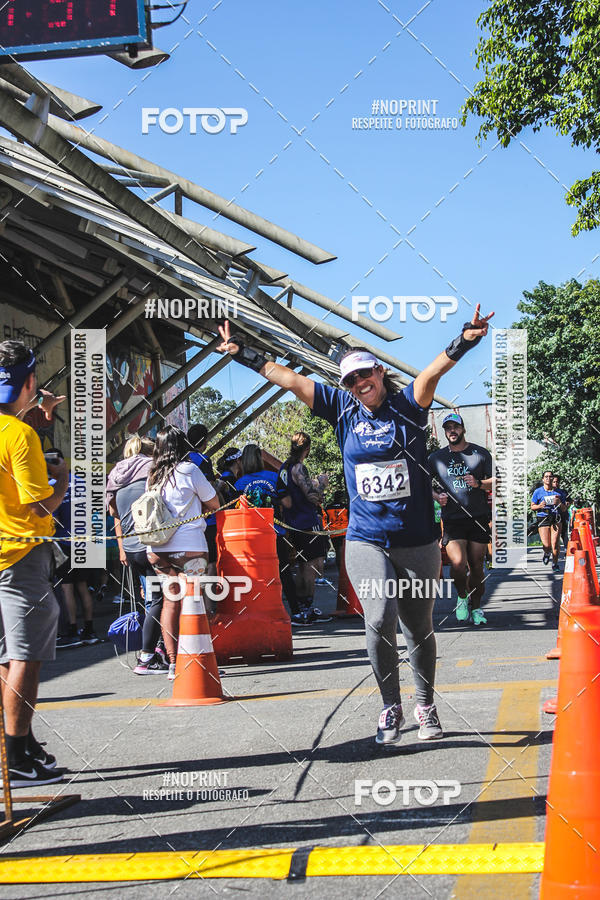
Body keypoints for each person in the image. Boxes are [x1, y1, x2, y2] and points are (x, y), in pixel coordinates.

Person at [217, 305, 493, 745]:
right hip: (366, 539)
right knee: (378, 617)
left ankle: (425, 704)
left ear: (379, 372)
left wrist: (466, 339)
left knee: (417, 626)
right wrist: (243, 353)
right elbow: (288, 378)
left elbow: (432, 373)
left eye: (365, 375)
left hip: (417, 539)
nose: (359, 384)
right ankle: (390, 706)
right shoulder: (341, 408)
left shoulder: (408, 407)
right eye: (350, 380)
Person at [0, 340, 67, 786]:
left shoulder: (16, 429)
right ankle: (15, 757)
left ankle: (19, 748)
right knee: (27, 654)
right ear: (30, 382)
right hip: (22, 554)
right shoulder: (20, 437)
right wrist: (61, 476)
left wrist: (34, 415)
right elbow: (40, 506)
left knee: (7, 655)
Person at [146, 426, 220, 679]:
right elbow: (215, 503)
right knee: (195, 600)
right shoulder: (189, 470)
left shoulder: (153, 475)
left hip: (157, 549)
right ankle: (199, 659)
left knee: (170, 601)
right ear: (182, 447)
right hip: (190, 547)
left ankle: (174, 663)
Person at [106, 435, 167, 675]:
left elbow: (115, 514)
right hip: (150, 545)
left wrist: (122, 548)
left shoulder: (116, 476)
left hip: (132, 549)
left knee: (153, 598)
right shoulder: (150, 469)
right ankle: (148, 656)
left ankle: (160, 649)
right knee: (160, 600)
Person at [428, 413, 494, 625]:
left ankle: (476, 607)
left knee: (476, 566)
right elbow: (421, 483)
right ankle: (462, 596)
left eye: (455, 427)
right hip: (453, 519)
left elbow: (496, 481)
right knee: (457, 564)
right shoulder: (436, 458)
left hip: (478, 517)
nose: (452, 431)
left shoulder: (480, 454)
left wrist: (479, 484)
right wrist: (437, 496)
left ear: (463, 429)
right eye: (448, 428)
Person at [234, 443, 303, 622]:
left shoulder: (239, 483)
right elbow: (287, 503)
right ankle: (295, 611)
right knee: (284, 571)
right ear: (259, 458)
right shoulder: (273, 477)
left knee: (255, 576)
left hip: (249, 537)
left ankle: (257, 614)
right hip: (274, 533)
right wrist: (272, 501)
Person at [276, 432, 332, 625]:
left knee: (307, 564)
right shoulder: (299, 468)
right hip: (306, 522)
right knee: (311, 564)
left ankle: (304, 609)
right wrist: (322, 484)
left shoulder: (285, 467)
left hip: (294, 521)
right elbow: (313, 497)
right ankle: (304, 609)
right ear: (307, 449)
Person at [52, 451, 101, 648]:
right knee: (83, 586)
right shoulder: (81, 482)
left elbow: (52, 517)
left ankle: (71, 631)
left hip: (65, 543)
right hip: (86, 541)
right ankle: (89, 629)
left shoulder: (54, 486)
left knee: (67, 588)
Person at [187, 424, 219, 576]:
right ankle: (210, 598)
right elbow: (209, 488)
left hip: (185, 519)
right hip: (207, 518)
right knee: (211, 560)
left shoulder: (182, 458)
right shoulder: (203, 460)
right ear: (204, 441)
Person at [531, 470, 565, 572]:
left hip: (556, 517)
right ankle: (546, 553)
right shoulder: (538, 492)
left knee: (555, 543)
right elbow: (532, 506)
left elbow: (564, 509)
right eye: (546, 476)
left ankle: (555, 564)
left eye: (550, 476)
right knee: (547, 545)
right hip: (543, 517)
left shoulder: (558, 492)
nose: (548, 478)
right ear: (543, 479)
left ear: (553, 478)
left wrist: (559, 502)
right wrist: (540, 506)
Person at [551, 474, 569, 548]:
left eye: (557, 482)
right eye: (554, 482)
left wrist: (567, 504)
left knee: (564, 533)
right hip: (551, 516)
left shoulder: (563, 492)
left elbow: (569, 501)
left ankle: (566, 549)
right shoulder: (547, 492)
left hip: (562, 515)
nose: (556, 484)